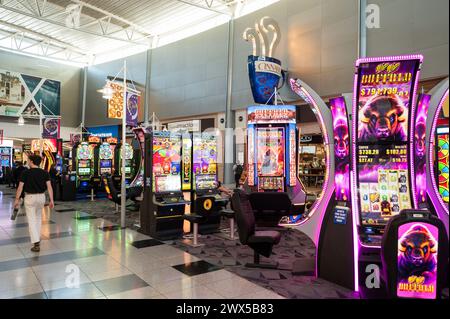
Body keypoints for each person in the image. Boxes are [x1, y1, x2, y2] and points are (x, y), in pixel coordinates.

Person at [14, 154, 54, 252]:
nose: (27, 161)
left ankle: (36, 243)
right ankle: (37, 239)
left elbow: (20, 187)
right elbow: (49, 187)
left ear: (31, 161)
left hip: (30, 197)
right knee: (38, 218)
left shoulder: (25, 173)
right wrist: (52, 200)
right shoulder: (45, 173)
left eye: (28, 160)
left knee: (31, 220)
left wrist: (16, 199)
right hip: (41, 197)